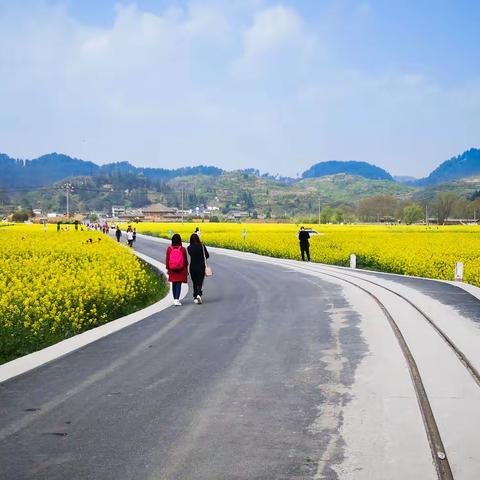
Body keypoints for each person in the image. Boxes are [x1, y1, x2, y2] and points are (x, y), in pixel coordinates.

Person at [166, 234, 188, 306]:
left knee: (174, 283)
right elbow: (185, 261)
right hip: (181, 269)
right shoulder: (182, 249)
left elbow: (167, 260)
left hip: (172, 269)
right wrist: (186, 270)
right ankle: (176, 299)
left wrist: (168, 269)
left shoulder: (169, 249)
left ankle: (175, 298)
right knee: (179, 283)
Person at [187, 233, 209, 304]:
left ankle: (195, 296)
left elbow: (191, 254)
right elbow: (207, 255)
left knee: (195, 282)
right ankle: (199, 294)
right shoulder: (202, 246)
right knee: (200, 281)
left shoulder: (189, 248)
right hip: (201, 266)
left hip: (193, 266)